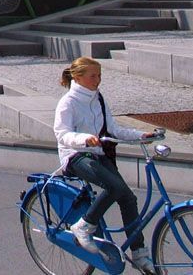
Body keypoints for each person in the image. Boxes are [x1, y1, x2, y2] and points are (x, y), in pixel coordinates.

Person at [55, 57, 156, 273]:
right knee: (115, 187)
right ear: (77, 76)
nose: (98, 80)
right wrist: (85, 139)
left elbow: (113, 130)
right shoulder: (68, 102)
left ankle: (139, 253)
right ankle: (83, 226)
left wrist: (141, 135)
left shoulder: (98, 98)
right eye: (93, 76)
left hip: (98, 154)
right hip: (76, 156)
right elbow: (62, 135)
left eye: (99, 75)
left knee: (128, 197)